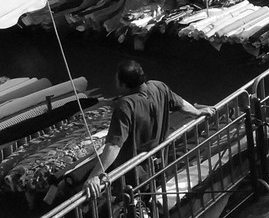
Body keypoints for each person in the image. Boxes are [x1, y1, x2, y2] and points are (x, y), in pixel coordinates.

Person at [84, 60, 214, 197]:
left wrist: (95, 175)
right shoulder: (159, 87)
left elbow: (114, 145)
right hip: (158, 162)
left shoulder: (125, 105)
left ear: (124, 85)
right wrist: (198, 112)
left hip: (133, 173)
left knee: (131, 201)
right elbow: (181, 104)